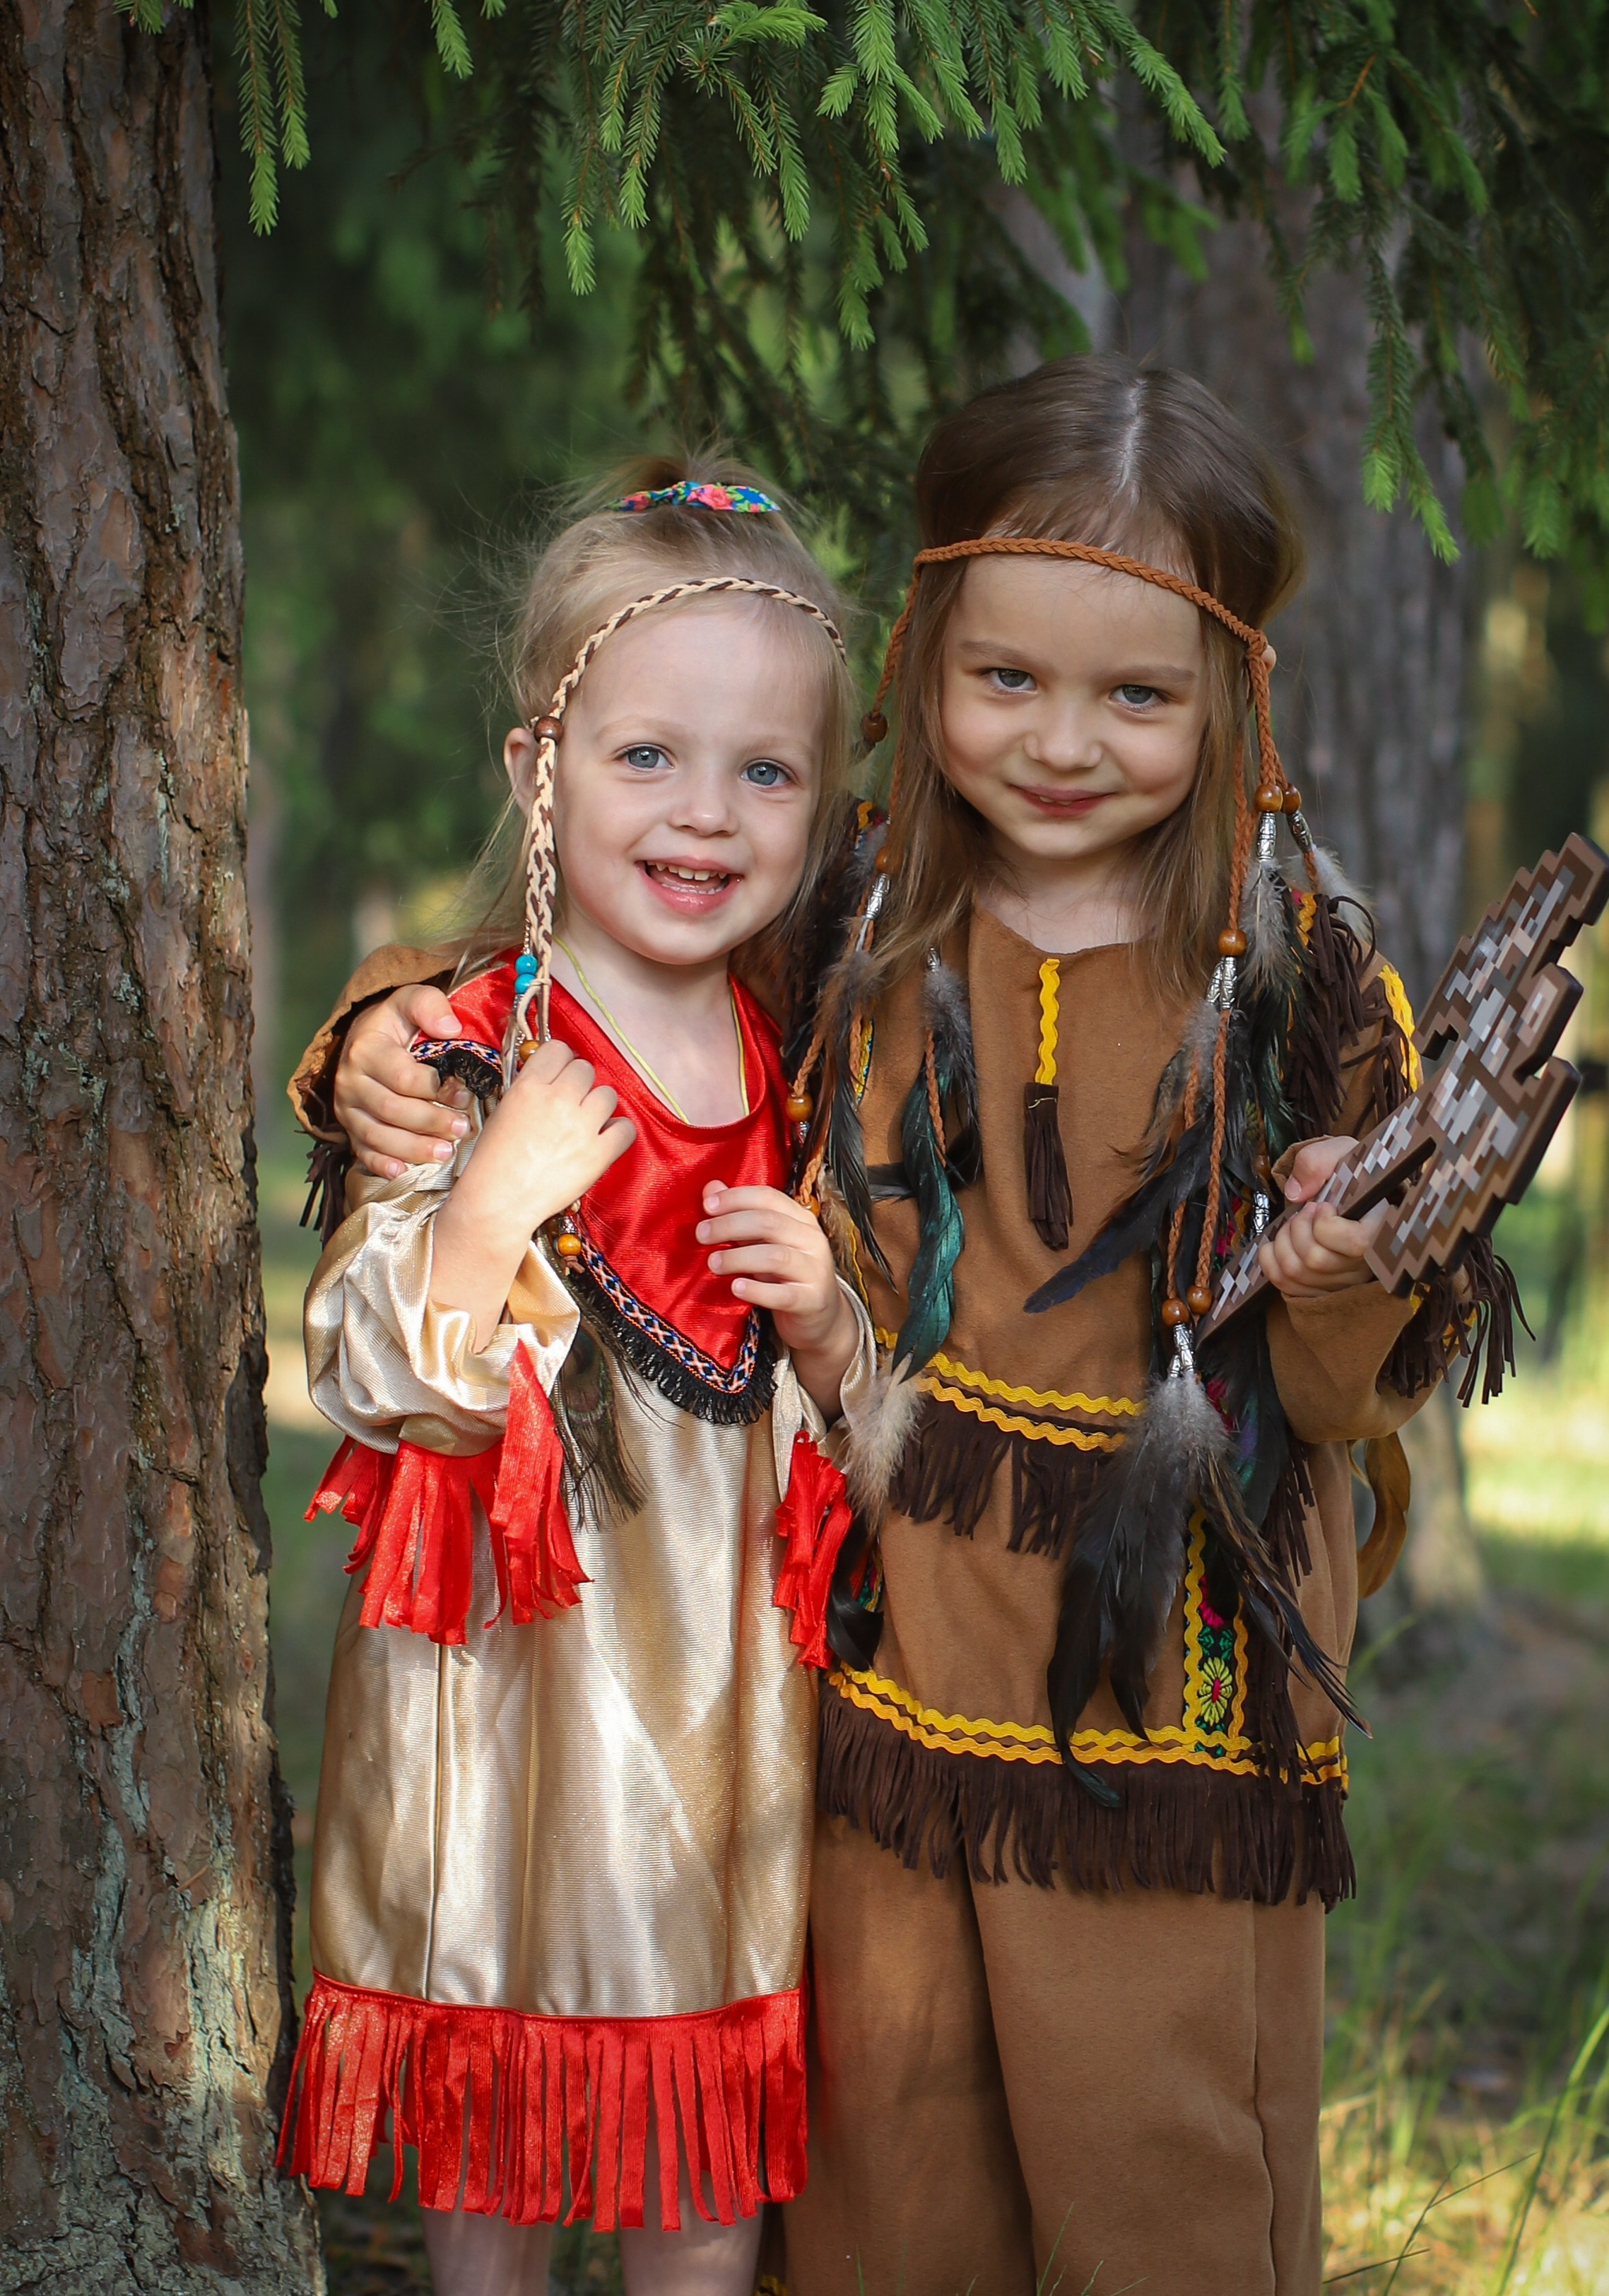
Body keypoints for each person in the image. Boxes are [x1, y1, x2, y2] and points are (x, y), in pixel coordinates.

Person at [300, 364, 1507, 2295]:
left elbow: (1362, 1379)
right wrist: (374, 1033)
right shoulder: (861, 917)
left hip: (1156, 1697)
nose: (1062, 743)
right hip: (870, 1691)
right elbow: (593, 942)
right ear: (931, 666)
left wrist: (1341, 1257)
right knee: (888, 2168)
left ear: (1234, 708)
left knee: (1151, 2159)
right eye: (1006, 679)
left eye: (1139, 697)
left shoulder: (1292, 986)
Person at [280, 476, 873, 2296]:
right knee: (502, 2146)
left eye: (763, 775)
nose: (704, 812)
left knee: (706, 2133)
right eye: (646, 757)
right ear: (541, 771)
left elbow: (853, 1415)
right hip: (528, 1710)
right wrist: (485, 1209)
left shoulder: (804, 1056)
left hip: (725, 1731)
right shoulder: (468, 1047)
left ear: (819, 807)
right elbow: (369, 1369)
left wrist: (837, 1328)